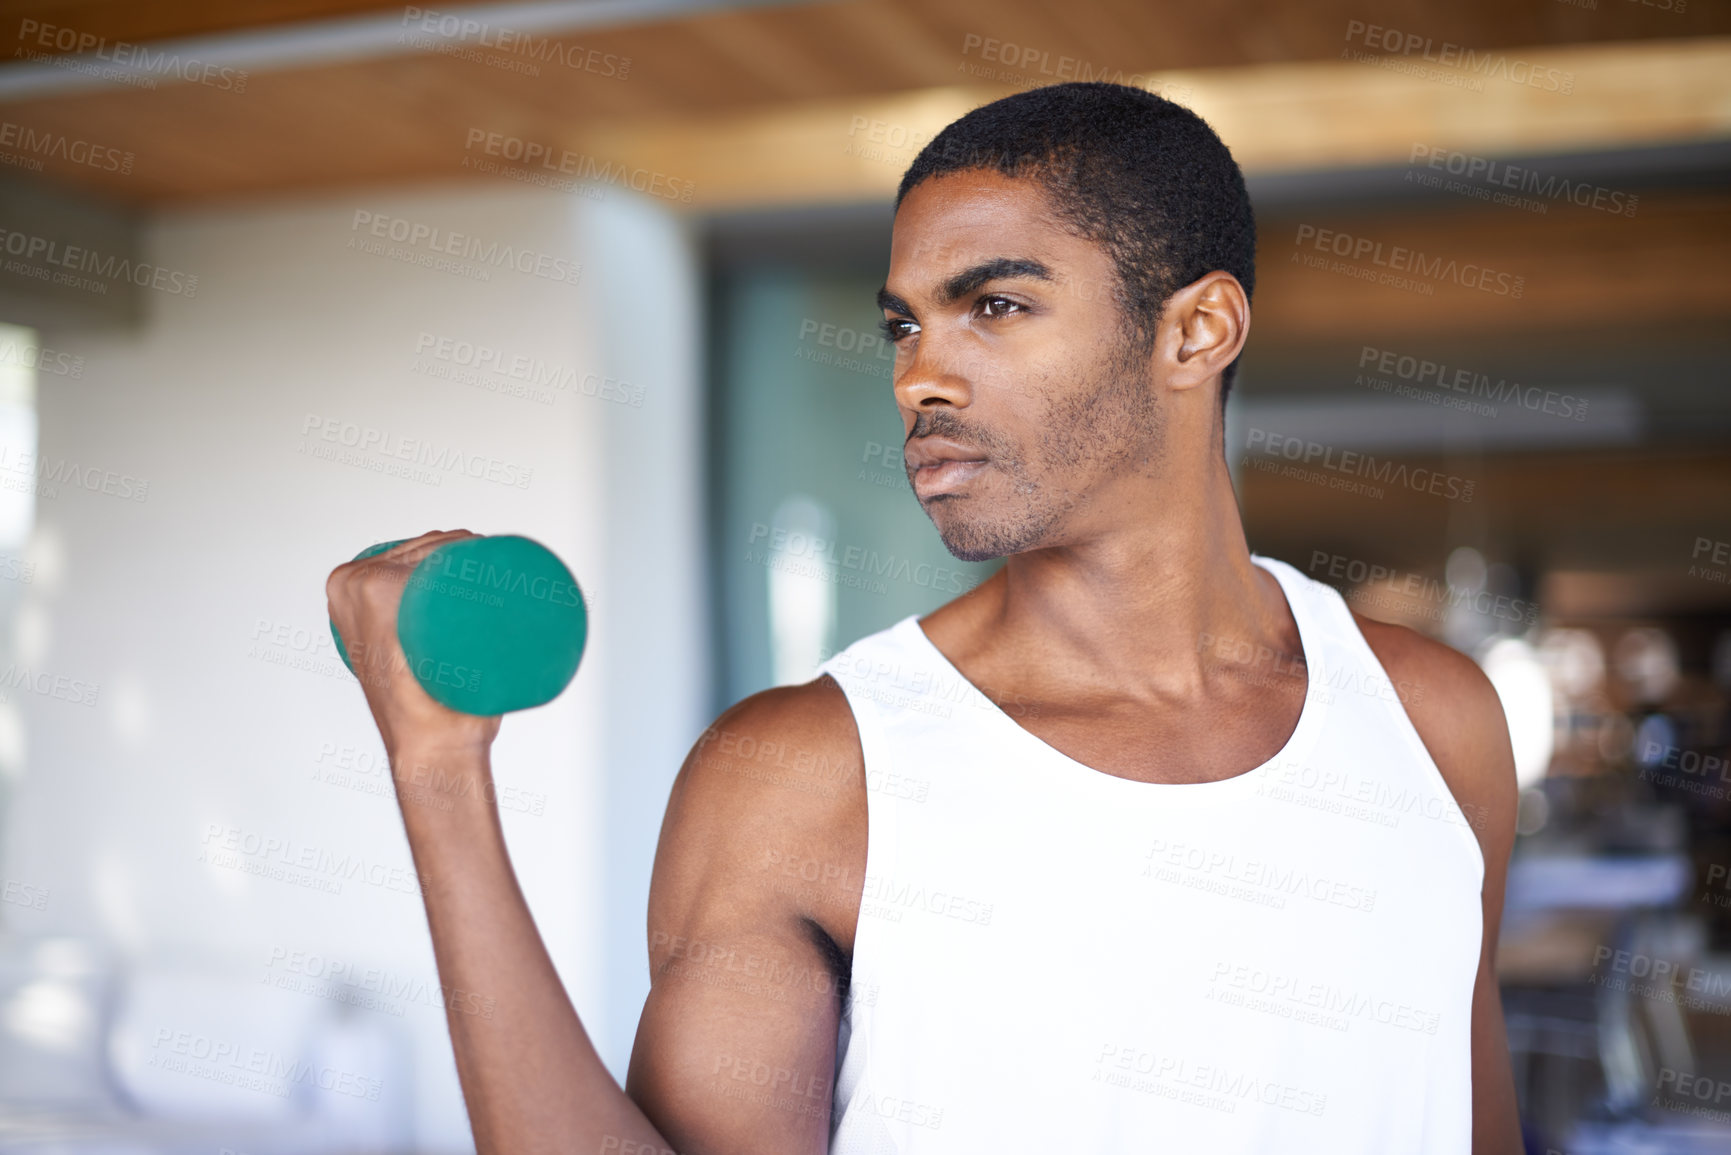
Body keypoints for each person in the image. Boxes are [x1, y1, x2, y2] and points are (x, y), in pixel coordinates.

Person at [325, 81, 1521, 1154]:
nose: (918, 378)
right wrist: (440, 770)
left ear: (1195, 330)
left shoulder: (1433, 718)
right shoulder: (804, 773)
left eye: (993, 307)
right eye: (904, 324)